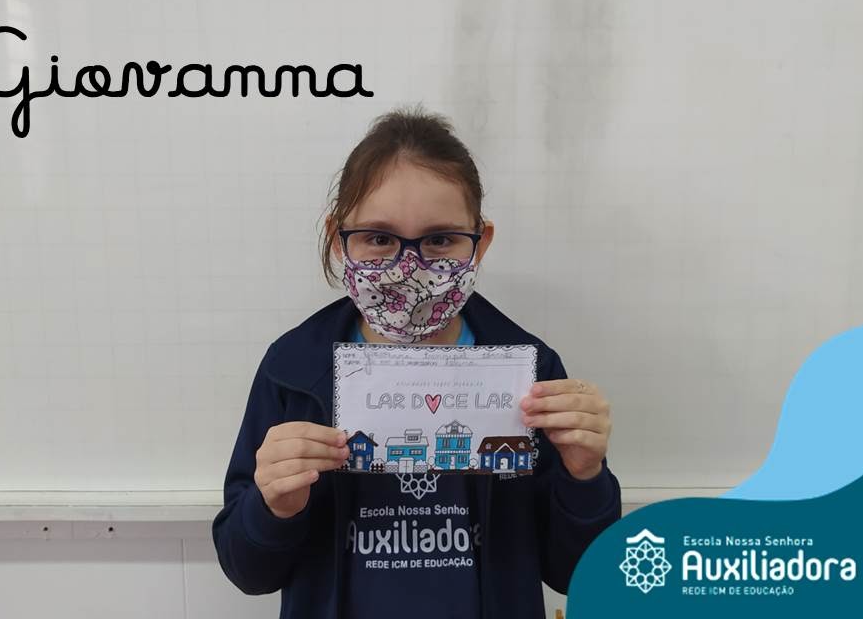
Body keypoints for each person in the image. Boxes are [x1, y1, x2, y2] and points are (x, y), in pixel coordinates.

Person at [212, 106, 621, 618]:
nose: (409, 267)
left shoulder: (529, 373)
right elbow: (246, 570)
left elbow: (575, 571)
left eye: (440, 239)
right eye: (379, 238)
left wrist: (585, 477)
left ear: (480, 243)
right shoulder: (292, 371)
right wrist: (272, 507)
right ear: (339, 239)